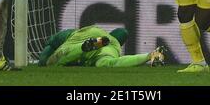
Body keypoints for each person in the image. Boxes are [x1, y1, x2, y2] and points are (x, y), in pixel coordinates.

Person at [38, 25, 166, 67]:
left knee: (50, 62)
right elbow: (119, 62)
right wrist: (147, 56)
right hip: (106, 48)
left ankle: (83, 47)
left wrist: (43, 58)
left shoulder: (70, 33)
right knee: (109, 62)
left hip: (85, 35)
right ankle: (150, 55)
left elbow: (53, 40)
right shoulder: (115, 45)